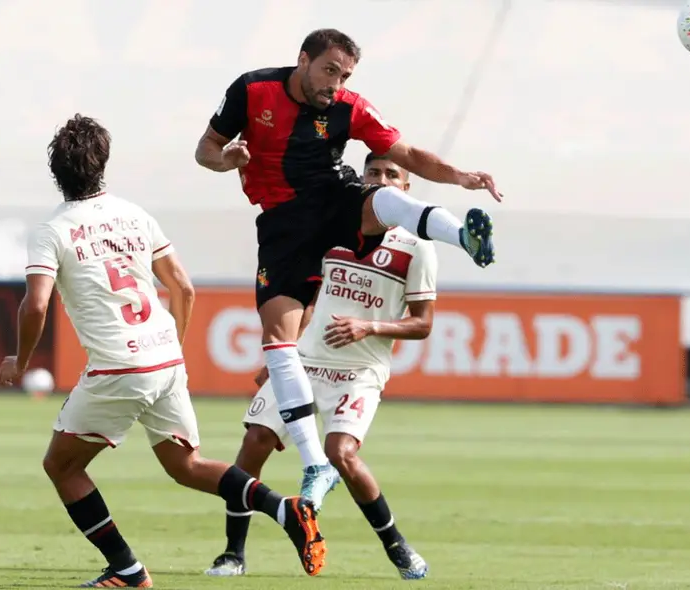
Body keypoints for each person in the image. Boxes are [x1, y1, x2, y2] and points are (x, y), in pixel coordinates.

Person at [0, 114, 327, 587]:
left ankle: (127, 570)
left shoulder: (53, 230)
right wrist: (171, 346)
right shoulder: (135, 215)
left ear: (56, 172)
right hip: (165, 358)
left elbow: (37, 305)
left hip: (118, 366)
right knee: (186, 466)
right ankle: (284, 508)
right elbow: (183, 288)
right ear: (103, 164)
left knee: (61, 465)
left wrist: (21, 360)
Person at [195, 28, 500, 508]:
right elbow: (205, 150)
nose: (335, 84)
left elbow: (409, 156)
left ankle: (462, 235)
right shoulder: (252, 90)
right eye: (329, 70)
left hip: (333, 200)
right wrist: (225, 159)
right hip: (283, 226)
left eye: (344, 75)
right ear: (303, 60)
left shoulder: (349, 108)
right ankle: (315, 462)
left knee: (386, 199)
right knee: (279, 343)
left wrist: (459, 176)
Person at [204, 152, 434, 580]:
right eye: (373, 172)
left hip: (359, 372)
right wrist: (276, 358)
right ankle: (232, 553)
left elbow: (422, 324)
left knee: (340, 454)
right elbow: (307, 299)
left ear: (406, 189)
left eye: (391, 174)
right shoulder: (331, 227)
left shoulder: (416, 248)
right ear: (362, 178)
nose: (381, 179)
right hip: (304, 361)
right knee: (254, 442)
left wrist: (369, 326)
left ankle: (397, 546)